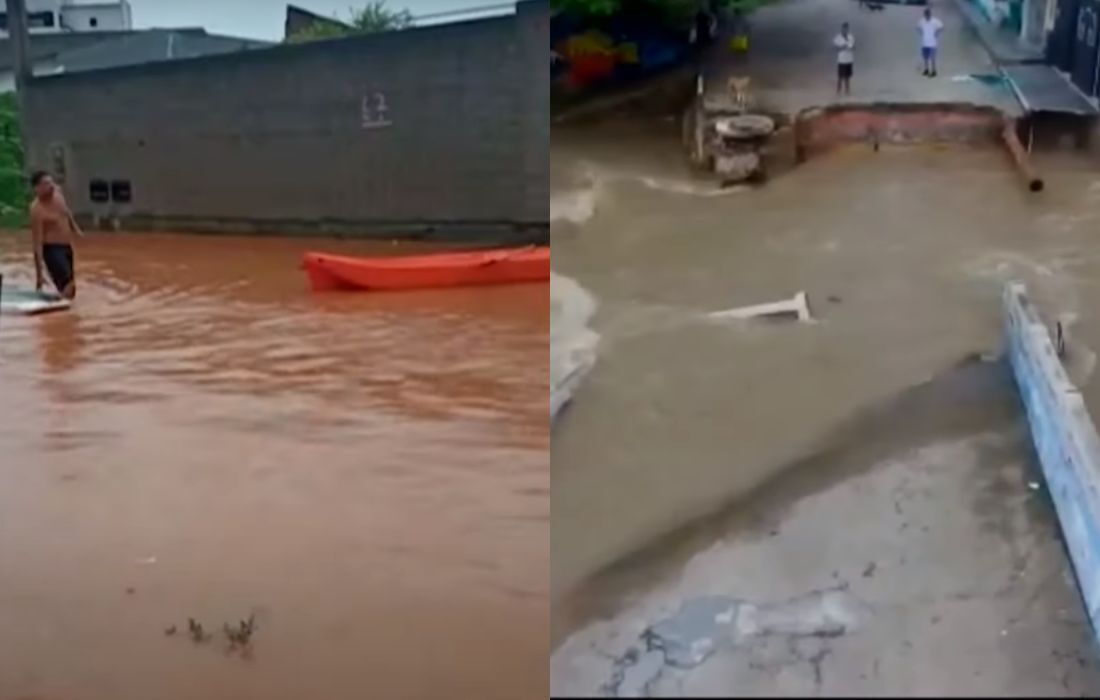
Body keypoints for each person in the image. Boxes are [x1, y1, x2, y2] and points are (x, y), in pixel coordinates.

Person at [29, 170, 83, 300]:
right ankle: (60, 316)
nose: (51, 186)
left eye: (51, 182)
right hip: (52, 250)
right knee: (69, 285)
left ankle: (60, 309)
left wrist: (75, 227)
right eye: (46, 184)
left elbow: (65, 210)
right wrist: (39, 275)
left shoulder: (57, 194)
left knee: (70, 289)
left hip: (66, 247)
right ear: (37, 188)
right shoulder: (37, 210)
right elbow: (37, 244)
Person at [919, 7, 944, 77]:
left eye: (928, 14)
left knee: (932, 58)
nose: (927, 15)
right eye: (926, 14)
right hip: (924, 43)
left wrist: (937, 32)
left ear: (930, 14)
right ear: (924, 14)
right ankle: (926, 69)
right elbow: (918, 27)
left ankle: (934, 71)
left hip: (932, 43)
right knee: (925, 57)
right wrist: (921, 33)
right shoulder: (922, 21)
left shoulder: (935, 21)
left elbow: (941, 27)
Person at [833, 22, 855, 96]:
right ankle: (838, 92)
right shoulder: (838, 37)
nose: (845, 30)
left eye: (846, 28)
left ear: (848, 29)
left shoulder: (851, 37)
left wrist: (851, 47)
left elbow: (854, 47)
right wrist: (843, 47)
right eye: (844, 28)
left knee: (847, 77)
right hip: (841, 60)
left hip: (849, 59)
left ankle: (847, 92)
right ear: (842, 29)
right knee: (840, 77)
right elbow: (835, 48)